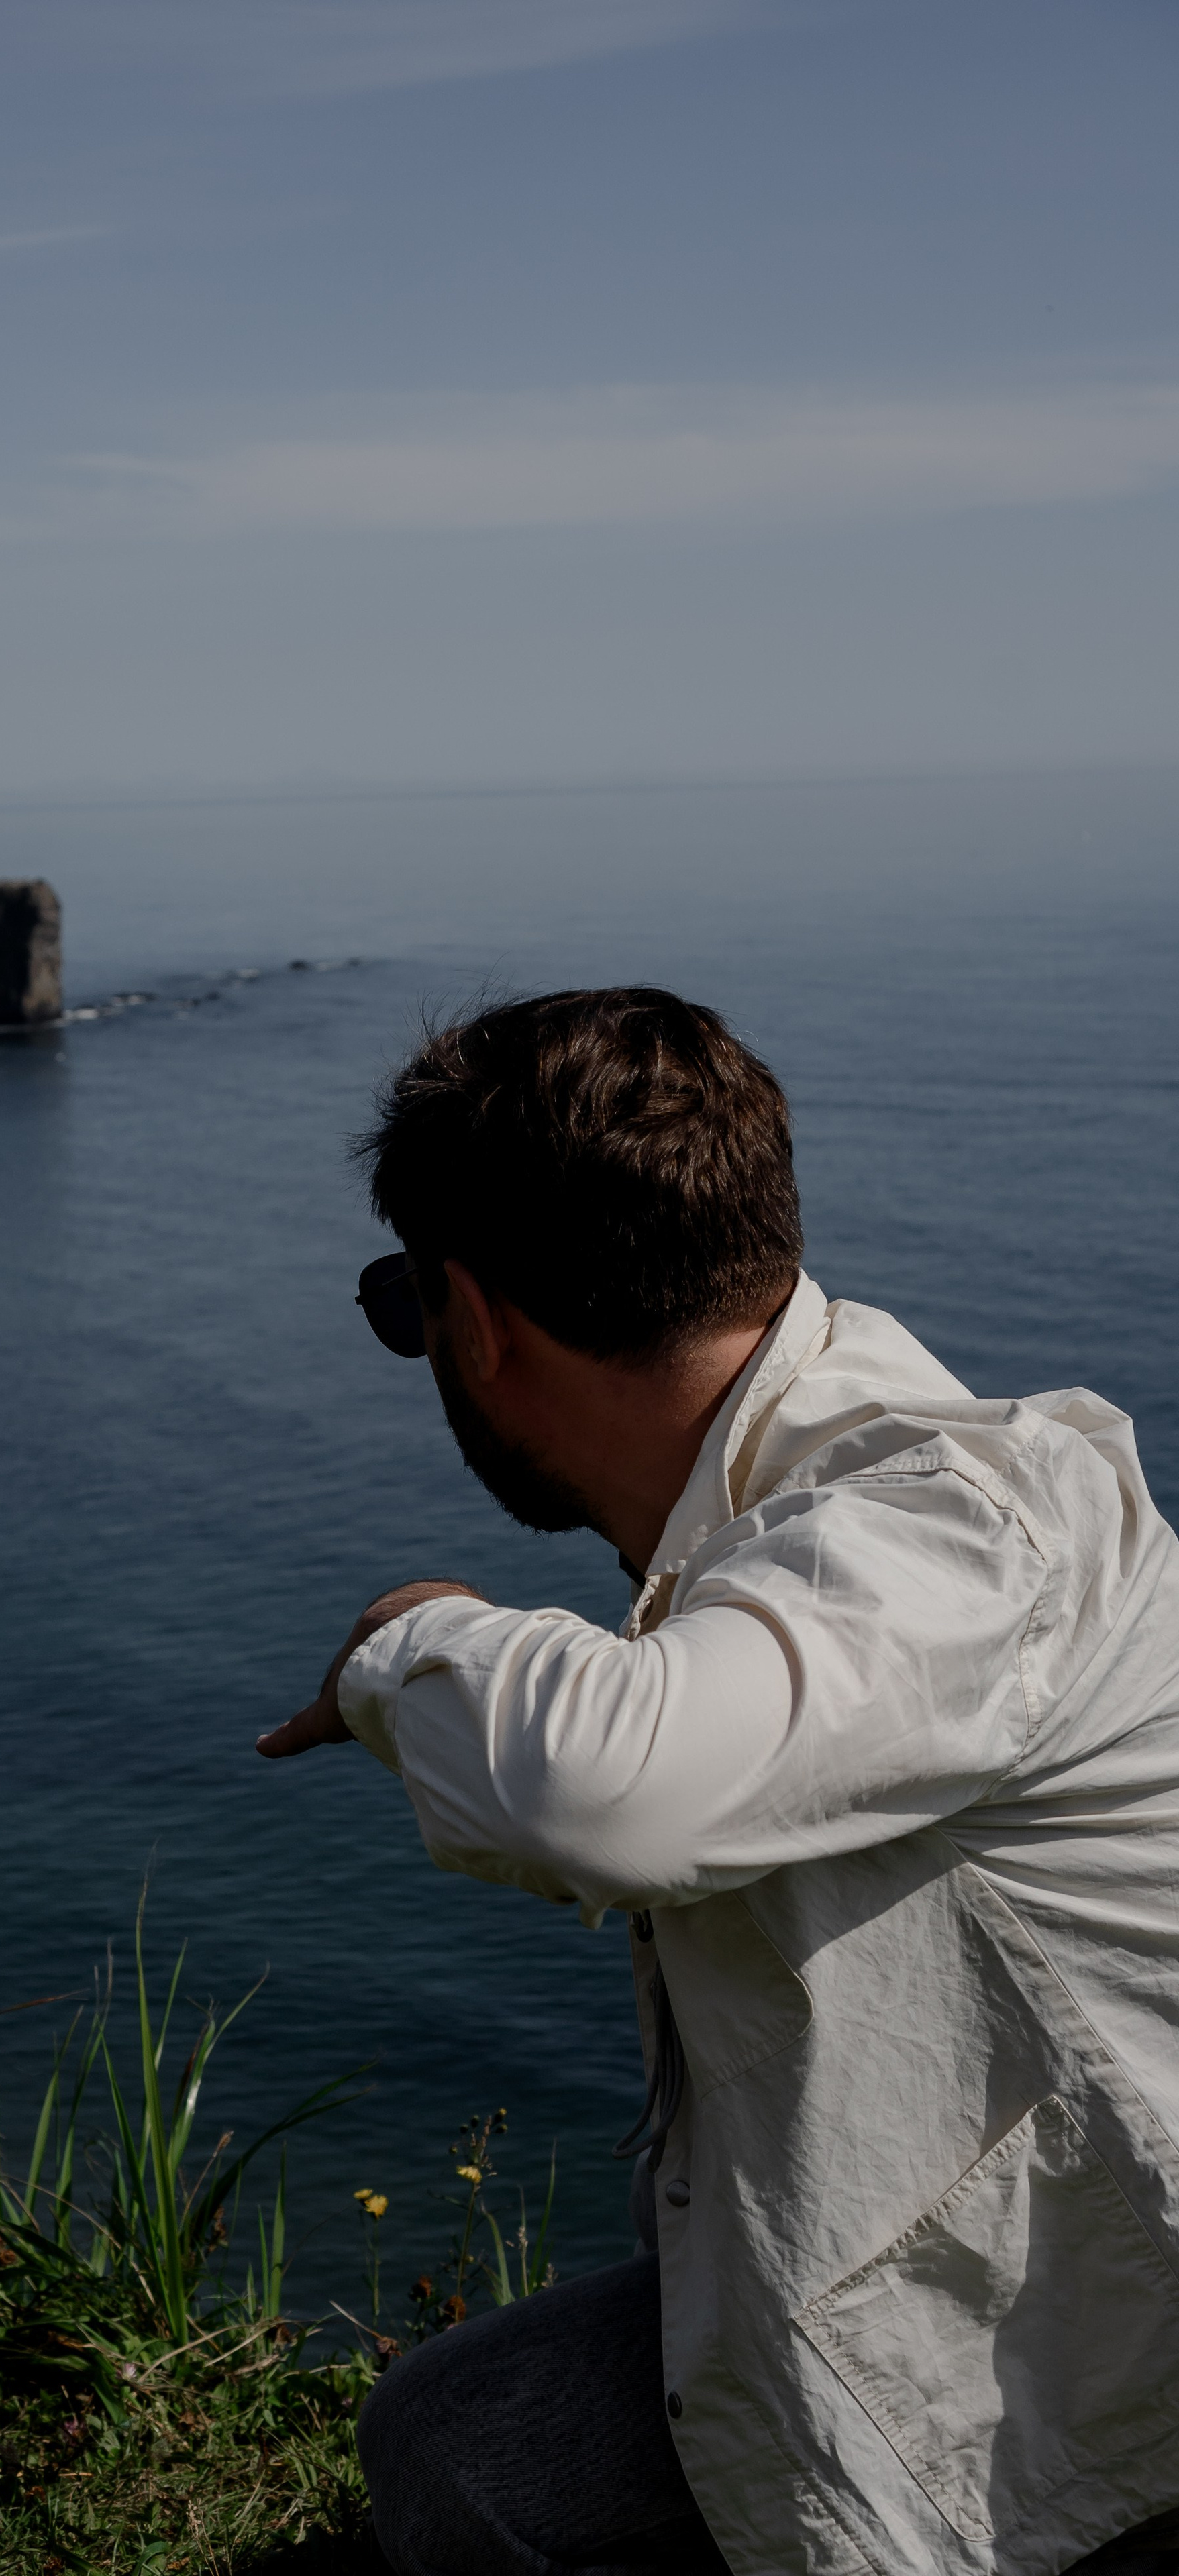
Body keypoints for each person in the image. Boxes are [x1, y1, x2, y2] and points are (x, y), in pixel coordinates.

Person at [257, 988, 1179, 2576]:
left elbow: (598, 1796)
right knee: (458, 2451)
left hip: (1125, 2351)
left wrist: (412, 1640)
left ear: (472, 1322)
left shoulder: (960, 1531)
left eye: (402, 1311)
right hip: (1014, 2272)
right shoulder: (794, 1515)